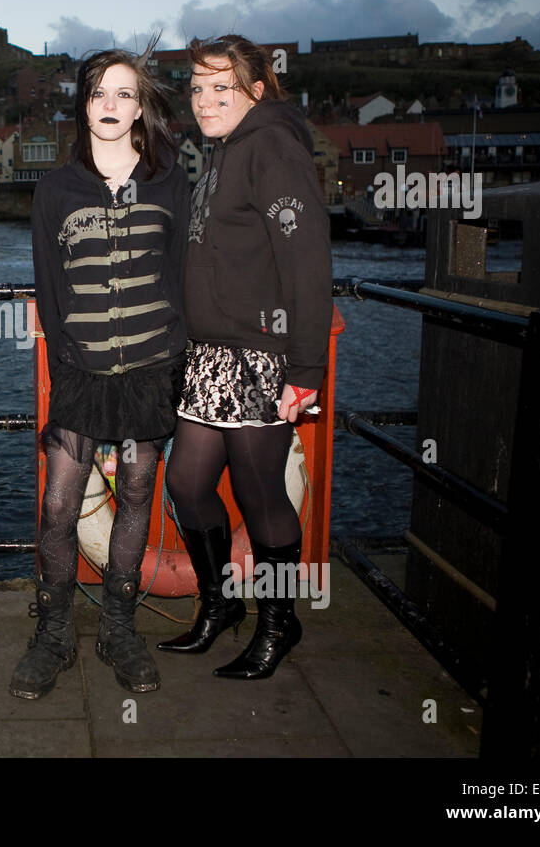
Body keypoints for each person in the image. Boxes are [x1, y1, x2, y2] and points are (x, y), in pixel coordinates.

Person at [11, 39, 189, 699]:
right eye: (98, 93)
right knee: (59, 503)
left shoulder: (171, 180)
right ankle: (53, 633)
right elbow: (49, 290)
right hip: (82, 373)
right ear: (82, 106)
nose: (111, 105)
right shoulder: (56, 189)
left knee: (139, 494)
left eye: (124, 92)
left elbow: (181, 278)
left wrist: (181, 360)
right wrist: (66, 368)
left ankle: (118, 627)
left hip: (152, 367)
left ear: (140, 105)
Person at [159, 35, 332, 679]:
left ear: (256, 91)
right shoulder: (222, 150)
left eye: (220, 88)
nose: (204, 100)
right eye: (197, 88)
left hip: (258, 357)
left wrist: (306, 369)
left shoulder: (272, 147)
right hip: (210, 357)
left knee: (262, 498)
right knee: (187, 484)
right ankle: (220, 607)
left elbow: (308, 260)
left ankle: (279, 624)